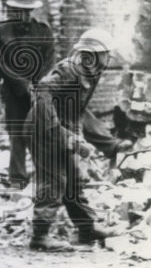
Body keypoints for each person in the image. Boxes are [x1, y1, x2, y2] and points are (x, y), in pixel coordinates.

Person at [28, 27, 133, 252]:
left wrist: (107, 143)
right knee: (54, 178)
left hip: (62, 127)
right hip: (42, 127)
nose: (110, 57)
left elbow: (79, 112)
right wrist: (57, 131)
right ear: (93, 53)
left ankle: (87, 228)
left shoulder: (90, 72)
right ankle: (40, 236)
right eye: (107, 53)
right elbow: (42, 89)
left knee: (74, 179)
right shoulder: (70, 69)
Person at [0, 0, 55, 188]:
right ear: (11, 10)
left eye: (28, 11)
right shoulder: (0, 31)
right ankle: (18, 178)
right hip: (13, 92)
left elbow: (49, 60)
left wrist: (37, 84)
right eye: (19, 10)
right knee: (17, 134)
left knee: (41, 134)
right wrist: (22, 84)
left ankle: (45, 176)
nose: (24, 15)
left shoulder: (43, 31)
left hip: (39, 90)